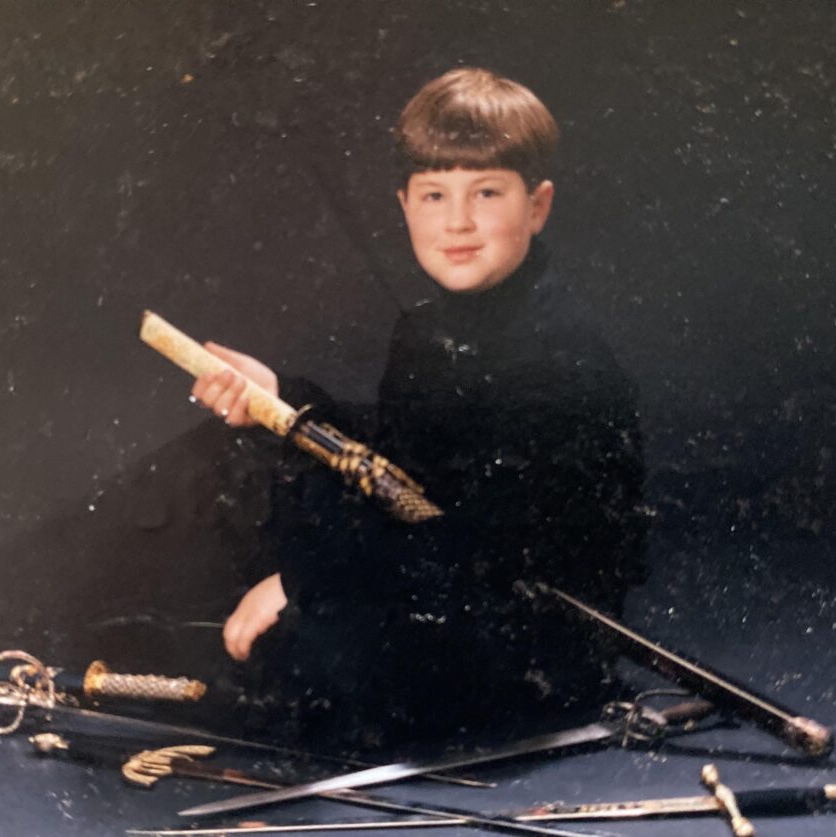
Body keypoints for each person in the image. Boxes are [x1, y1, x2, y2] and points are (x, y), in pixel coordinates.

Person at [192, 67, 648, 744]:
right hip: (449, 574)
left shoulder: (557, 354)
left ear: (537, 205)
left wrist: (301, 581)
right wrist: (278, 396)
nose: (457, 221)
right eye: (435, 194)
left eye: (486, 192)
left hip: (529, 631)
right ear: (405, 204)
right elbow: (400, 463)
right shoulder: (431, 326)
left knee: (299, 665)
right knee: (221, 499)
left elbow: (474, 533)